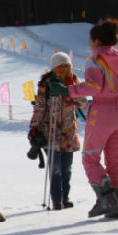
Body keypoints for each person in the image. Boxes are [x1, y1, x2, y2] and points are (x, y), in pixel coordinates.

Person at [62, 18, 118, 219]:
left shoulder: (95, 60)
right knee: (116, 162)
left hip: (101, 112)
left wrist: (69, 91)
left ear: (97, 42)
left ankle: (107, 200)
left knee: (90, 158)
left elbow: (93, 87)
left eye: (91, 41)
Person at [28, 52, 85, 210]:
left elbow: (83, 103)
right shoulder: (46, 83)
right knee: (56, 168)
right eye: (62, 66)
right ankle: (57, 199)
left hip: (68, 131)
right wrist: (34, 127)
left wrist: (69, 90)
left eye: (68, 66)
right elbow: (39, 106)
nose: (66, 69)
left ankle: (65, 197)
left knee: (67, 167)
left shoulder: (73, 82)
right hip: (50, 131)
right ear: (55, 68)